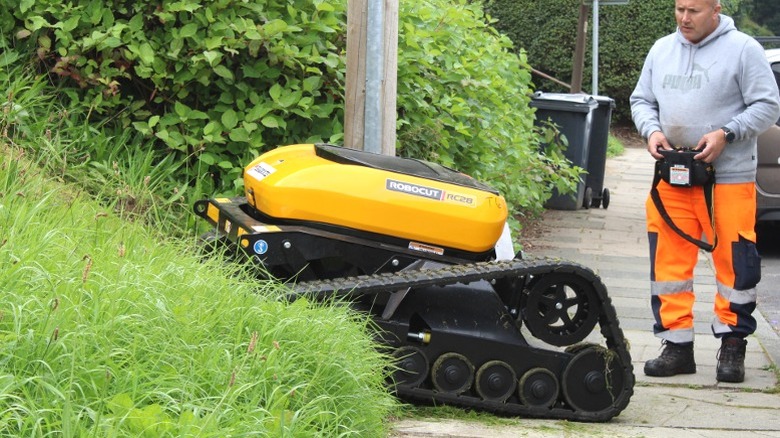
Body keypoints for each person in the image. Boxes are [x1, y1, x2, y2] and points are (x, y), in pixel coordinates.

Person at [630, 0, 780, 383]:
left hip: (728, 179)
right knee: (668, 265)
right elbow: (641, 100)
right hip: (672, 176)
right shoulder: (661, 49)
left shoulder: (744, 50)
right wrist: (652, 131)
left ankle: (732, 346)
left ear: (716, 9)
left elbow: (767, 105)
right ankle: (676, 346)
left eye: (693, 11)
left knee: (734, 264)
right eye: (679, 9)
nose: (684, 18)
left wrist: (726, 134)